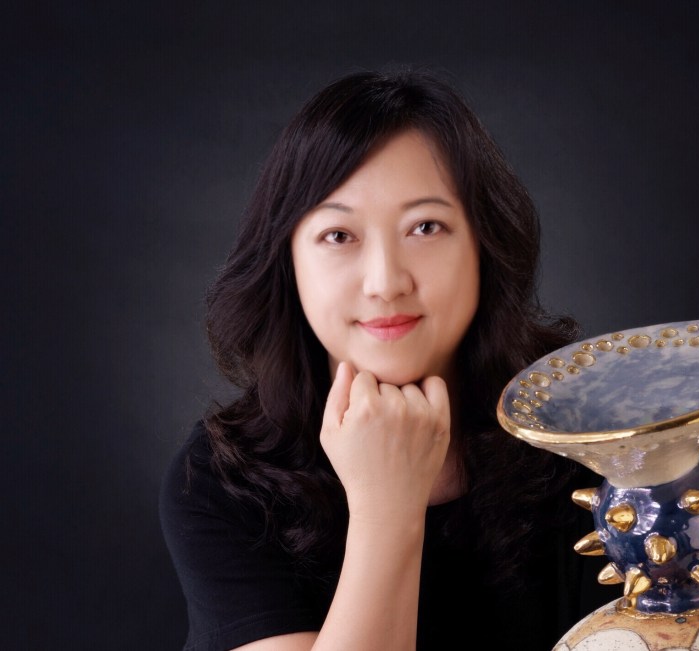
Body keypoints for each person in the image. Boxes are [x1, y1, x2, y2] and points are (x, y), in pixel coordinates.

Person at [159, 68, 608, 651]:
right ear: (288, 262)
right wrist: (387, 507)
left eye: (426, 227)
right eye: (339, 236)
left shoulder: (590, 440)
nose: (386, 282)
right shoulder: (222, 481)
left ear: (484, 246)